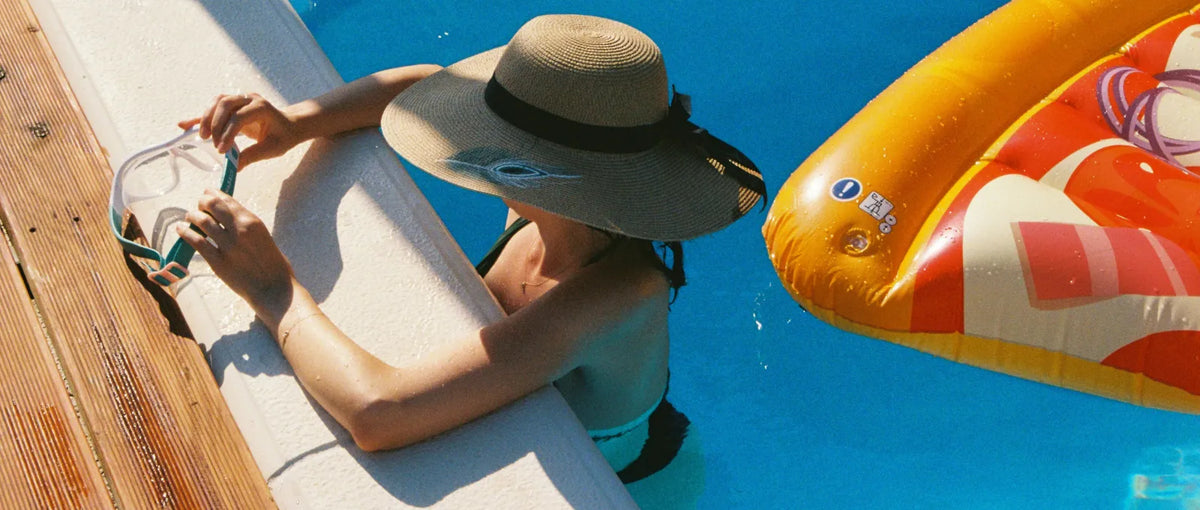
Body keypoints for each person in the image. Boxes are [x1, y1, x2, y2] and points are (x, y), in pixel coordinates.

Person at [176, 14, 764, 483]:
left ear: (539, 171)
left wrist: (273, 287)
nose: (471, 144)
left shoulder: (618, 296)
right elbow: (421, 84)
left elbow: (379, 414)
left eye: (493, 141)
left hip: (640, 481)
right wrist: (299, 121)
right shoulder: (555, 207)